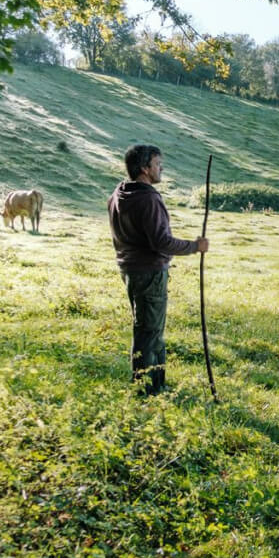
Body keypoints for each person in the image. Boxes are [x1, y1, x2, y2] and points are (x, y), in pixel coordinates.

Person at [107, 144, 208, 396]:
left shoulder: (119, 193)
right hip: (149, 272)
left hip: (129, 269)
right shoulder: (149, 198)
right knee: (150, 332)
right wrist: (195, 246)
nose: (161, 168)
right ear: (144, 168)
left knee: (145, 328)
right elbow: (161, 242)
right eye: (157, 164)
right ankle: (148, 390)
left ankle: (155, 383)